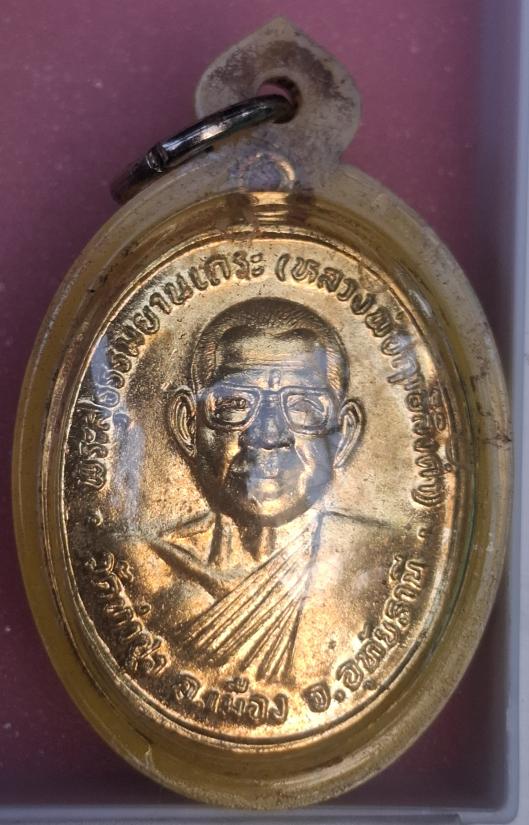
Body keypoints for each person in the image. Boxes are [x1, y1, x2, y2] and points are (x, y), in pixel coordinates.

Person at [135, 298, 395, 685]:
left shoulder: (378, 562)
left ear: (344, 434)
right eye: (235, 404)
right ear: (188, 425)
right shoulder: (145, 564)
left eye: (303, 406)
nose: (268, 435)